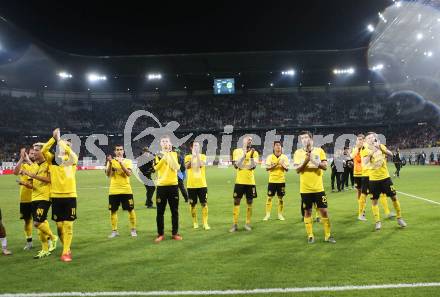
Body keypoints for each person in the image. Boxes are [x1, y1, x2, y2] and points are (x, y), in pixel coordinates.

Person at [41, 128, 78, 262]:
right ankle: (66, 246)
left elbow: (72, 154)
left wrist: (62, 143)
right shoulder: (52, 160)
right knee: (59, 226)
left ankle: (66, 251)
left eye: (68, 144)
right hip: (56, 196)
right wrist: (54, 139)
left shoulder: (72, 159)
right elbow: (43, 150)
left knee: (68, 224)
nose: (65, 146)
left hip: (70, 195)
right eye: (63, 144)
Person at [293, 131, 335, 244]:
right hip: (305, 189)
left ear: (311, 139)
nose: (304, 140)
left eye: (306, 137)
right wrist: (306, 161)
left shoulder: (319, 151)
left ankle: (328, 235)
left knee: (324, 211)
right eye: (302, 138)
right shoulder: (298, 153)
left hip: (318, 188)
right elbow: (297, 170)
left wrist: (313, 161)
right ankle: (310, 235)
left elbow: (325, 166)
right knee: (308, 212)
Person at [362, 132, 407, 231]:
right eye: (368, 138)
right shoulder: (365, 150)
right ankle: (377, 222)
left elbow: (391, 154)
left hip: (385, 178)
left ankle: (399, 218)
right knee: (374, 201)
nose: (371, 139)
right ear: (366, 140)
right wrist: (372, 151)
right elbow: (364, 163)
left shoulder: (380, 146)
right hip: (373, 179)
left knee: (394, 197)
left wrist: (381, 148)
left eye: (372, 137)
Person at [21, 143, 59, 259]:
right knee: (39, 226)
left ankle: (53, 237)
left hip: (45, 197)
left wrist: (33, 175)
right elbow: (32, 185)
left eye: (37, 150)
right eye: (34, 151)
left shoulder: (48, 164)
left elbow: (49, 180)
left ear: (42, 152)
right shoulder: (34, 166)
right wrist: (25, 183)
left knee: (37, 223)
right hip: (34, 198)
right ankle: (45, 250)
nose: (34, 153)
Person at [154, 136, 182, 242]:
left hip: (173, 186)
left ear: (170, 143)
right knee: (160, 212)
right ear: (161, 144)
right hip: (161, 186)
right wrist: (164, 156)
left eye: (167, 141)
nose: (165, 143)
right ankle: (160, 234)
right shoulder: (158, 155)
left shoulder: (175, 154)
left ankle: (175, 233)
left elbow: (176, 167)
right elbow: (156, 168)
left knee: (174, 211)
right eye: (163, 141)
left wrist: (169, 154)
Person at [106, 145, 137, 238]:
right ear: (114, 152)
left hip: (126, 190)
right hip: (114, 190)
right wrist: (111, 163)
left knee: (131, 210)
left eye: (120, 150)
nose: (119, 151)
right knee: (113, 211)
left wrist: (121, 163)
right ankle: (114, 231)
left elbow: (128, 174)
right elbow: (108, 175)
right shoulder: (111, 162)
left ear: (123, 151)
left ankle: (133, 229)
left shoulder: (128, 161)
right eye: (117, 150)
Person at [230, 136, 259, 232]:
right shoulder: (236, 151)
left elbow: (252, 167)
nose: (249, 141)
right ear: (243, 141)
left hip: (250, 182)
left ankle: (247, 223)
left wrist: (249, 157)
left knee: (249, 202)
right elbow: (235, 165)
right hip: (239, 181)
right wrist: (244, 155)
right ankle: (234, 224)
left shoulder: (255, 152)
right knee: (236, 202)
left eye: (251, 140)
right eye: (248, 140)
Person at [184, 141, 210, 230]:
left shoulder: (203, 156)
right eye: (195, 146)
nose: (196, 148)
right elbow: (187, 166)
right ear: (191, 148)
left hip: (202, 184)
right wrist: (193, 157)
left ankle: (205, 223)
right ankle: (195, 222)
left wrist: (197, 156)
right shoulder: (187, 157)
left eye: (198, 146)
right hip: (191, 185)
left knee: (204, 203)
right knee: (192, 205)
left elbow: (201, 165)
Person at [14, 147, 35, 250]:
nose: (31, 155)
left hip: (36, 197)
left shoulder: (37, 165)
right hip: (25, 198)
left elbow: (36, 171)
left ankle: (48, 240)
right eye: (30, 153)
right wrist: (22, 159)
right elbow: (15, 172)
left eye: (33, 153)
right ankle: (29, 242)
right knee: (27, 221)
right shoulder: (23, 165)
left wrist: (28, 159)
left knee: (39, 221)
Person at [263, 141, 289, 221]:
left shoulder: (284, 157)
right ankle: (267, 214)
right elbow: (267, 168)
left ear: (281, 147)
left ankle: (280, 215)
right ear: (273, 147)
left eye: (279, 145)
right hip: (272, 181)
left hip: (281, 181)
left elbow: (287, 169)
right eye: (276, 145)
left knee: (280, 198)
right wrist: (275, 164)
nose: (278, 147)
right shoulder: (270, 157)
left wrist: (282, 164)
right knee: (269, 198)